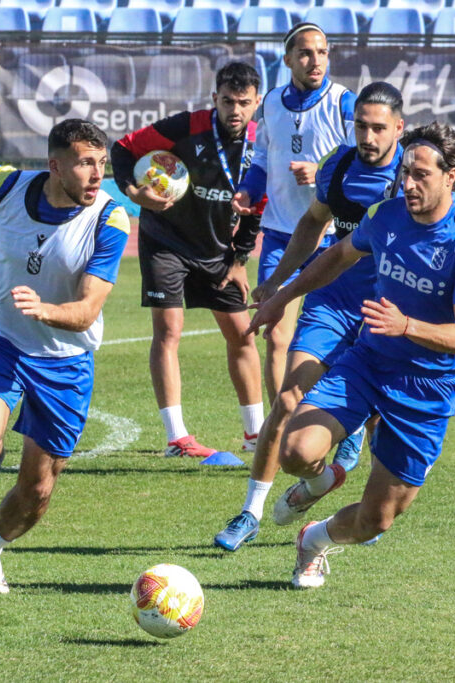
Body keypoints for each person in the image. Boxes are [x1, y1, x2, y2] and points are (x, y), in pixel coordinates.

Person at [246, 122, 455, 588]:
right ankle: (320, 480)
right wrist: (280, 295)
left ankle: (314, 540)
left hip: (426, 387)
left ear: (452, 177)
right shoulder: (385, 216)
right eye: (405, 172)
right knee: (297, 451)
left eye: (421, 175)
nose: (408, 184)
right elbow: (336, 257)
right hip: (369, 362)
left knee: (376, 521)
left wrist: (408, 327)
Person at [0, 119, 130, 594]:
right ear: (55, 166)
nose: (97, 175)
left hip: (66, 362)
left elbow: (86, 312)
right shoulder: (9, 184)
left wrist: (46, 310)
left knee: (37, 492)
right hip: (3, 342)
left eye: (102, 163)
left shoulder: (109, 218)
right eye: (85, 163)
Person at [214, 82, 406, 551]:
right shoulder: (338, 164)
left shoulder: (412, 175)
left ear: (399, 129)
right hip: (333, 303)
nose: (368, 136)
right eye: (361, 125)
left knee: (387, 419)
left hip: (387, 312)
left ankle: (360, 509)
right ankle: (251, 513)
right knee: (286, 401)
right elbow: (311, 224)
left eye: (379, 128)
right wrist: (278, 282)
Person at [110, 62, 265, 458]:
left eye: (244, 103)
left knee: (243, 335)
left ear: (256, 103)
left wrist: (240, 258)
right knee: (169, 331)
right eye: (227, 101)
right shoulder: (187, 126)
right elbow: (124, 148)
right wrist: (133, 191)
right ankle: (177, 438)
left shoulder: (262, 141)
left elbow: (258, 204)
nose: (235, 110)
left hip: (218, 251)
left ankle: (255, 434)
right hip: (167, 241)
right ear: (214, 99)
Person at [231, 22, 355, 413]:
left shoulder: (343, 102)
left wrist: (321, 172)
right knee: (276, 334)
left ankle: (330, 417)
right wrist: (249, 189)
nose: (314, 60)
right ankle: (279, 425)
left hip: (334, 240)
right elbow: (264, 156)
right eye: (304, 53)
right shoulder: (269, 102)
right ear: (287, 59)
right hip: (280, 235)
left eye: (321, 52)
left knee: (335, 337)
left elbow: (362, 165)